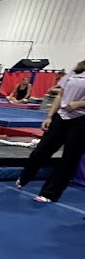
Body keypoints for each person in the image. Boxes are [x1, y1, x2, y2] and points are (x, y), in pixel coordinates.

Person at [15, 59, 85, 203]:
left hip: (81, 120)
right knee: (41, 150)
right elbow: (60, 95)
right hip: (62, 115)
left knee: (70, 158)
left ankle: (50, 193)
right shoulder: (76, 71)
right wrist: (49, 116)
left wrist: (80, 103)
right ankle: (25, 177)